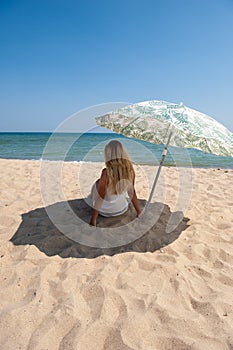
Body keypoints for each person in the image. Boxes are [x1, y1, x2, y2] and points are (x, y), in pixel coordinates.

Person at [89, 140, 142, 226]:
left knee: (98, 182)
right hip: (121, 210)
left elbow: (100, 198)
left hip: (104, 212)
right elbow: (131, 193)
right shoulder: (130, 171)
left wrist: (93, 220)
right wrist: (139, 211)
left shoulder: (106, 173)